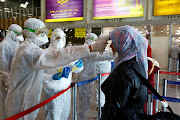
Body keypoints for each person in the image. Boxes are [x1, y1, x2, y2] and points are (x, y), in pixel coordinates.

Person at [5, 18, 106, 120]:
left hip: (30, 98)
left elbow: (38, 75)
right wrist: (88, 48)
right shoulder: (30, 51)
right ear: (30, 32)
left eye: (45, 32)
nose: (44, 35)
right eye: (41, 32)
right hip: (22, 101)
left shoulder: (30, 49)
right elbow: (57, 56)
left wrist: (54, 76)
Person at [101, 25, 148, 120]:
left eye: (113, 42)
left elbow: (115, 107)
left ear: (123, 43)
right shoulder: (138, 63)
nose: (111, 46)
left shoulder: (124, 71)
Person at [43, 28, 84, 120]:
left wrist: (78, 66)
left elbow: (75, 68)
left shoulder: (66, 53)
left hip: (66, 91)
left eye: (61, 38)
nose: (59, 40)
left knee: (65, 114)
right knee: (53, 115)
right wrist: (51, 77)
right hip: (52, 92)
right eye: (57, 37)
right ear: (52, 38)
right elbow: (38, 75)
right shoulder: (45, 54)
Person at [74, 33, 113, 120]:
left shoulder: (87, 48)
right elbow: (99, 56)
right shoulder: (88, 51)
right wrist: (116, 52)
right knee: (84, 103)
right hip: (85, 78)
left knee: (85, 102)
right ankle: (81, 118)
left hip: (89, 77)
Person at [0, 24, 24, 120]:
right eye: (18, 33)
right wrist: (7, 82)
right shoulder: (4, 45)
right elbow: (3, 66)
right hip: (6, 82)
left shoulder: (17, 44)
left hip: (15, 80)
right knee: (5, 104)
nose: (20, 35)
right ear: (11, 33)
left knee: (14, 105)